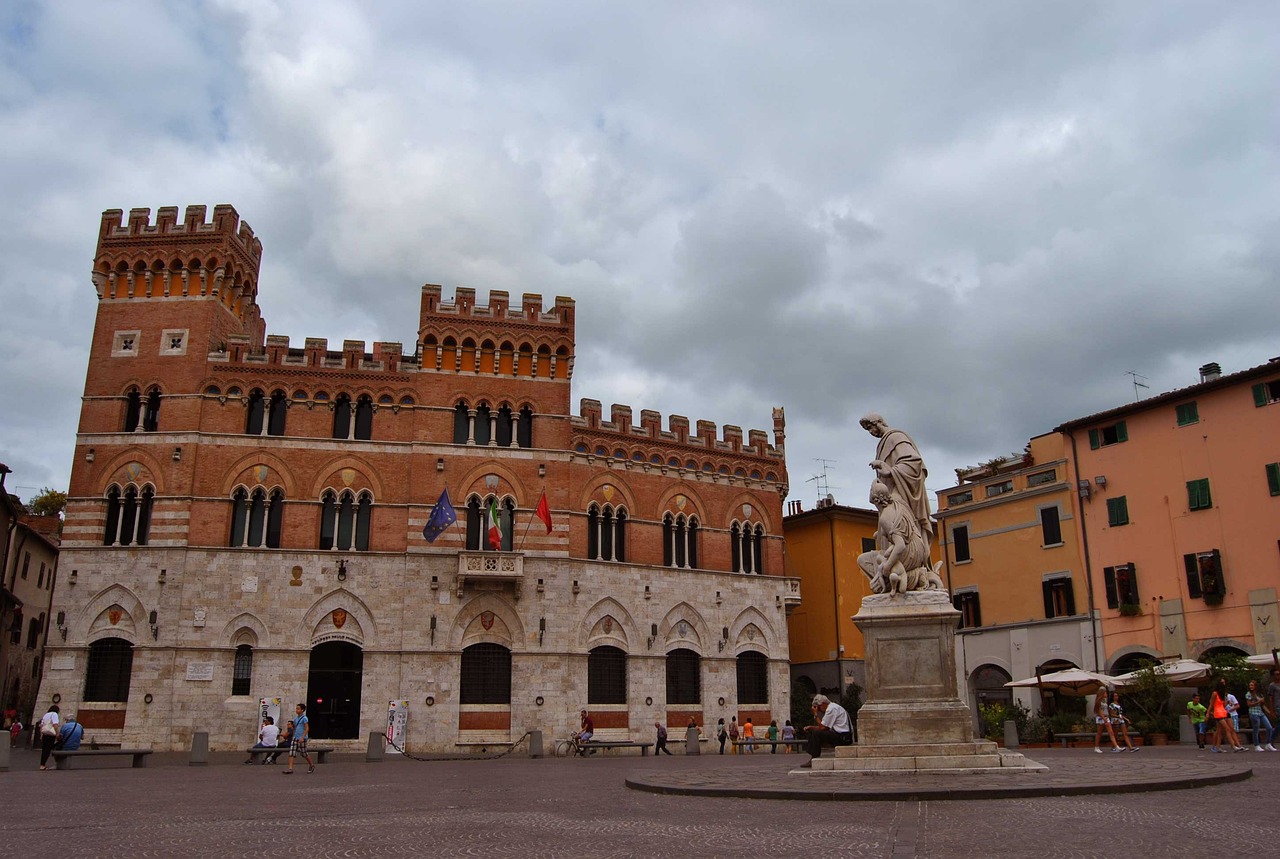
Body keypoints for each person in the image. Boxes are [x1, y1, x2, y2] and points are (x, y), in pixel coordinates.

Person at [860, 414, 932, 541]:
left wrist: (890, 471)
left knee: (900, 536)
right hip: (890, 499)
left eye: (871, 427)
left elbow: (914, 463)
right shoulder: (883, 443)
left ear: (878, 422)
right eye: (868, 430)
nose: (871, 432)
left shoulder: (896, 437)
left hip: (899, 497)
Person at [800, 694, 853, 767]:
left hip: (843, 737)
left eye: (819, 708)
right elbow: (825, 727)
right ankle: (813, 756)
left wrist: (815, 715)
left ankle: (814, 758)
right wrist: (811, 727)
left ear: (823, 704)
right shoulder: (833, 707)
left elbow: (823, 728)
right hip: (841, 735)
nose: (820, 711)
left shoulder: (831, 709)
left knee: (816, 733)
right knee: (812, 731)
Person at [1245, 679, 1276, 751]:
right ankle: (1257, 745)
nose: (1251, 686)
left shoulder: (1259, 694)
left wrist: (1269, 712)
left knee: (1269, 727)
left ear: (1255, 686)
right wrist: (1258, 701)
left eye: (1252, 685)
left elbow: (1263, 705)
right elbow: (1249, 704)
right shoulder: (1248, 694)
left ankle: (1268, 743)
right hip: (1253, 713)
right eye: (1250, 685)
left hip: (1260, 712)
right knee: (1256, 729)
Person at [283, 703, 314, 775]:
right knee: (291, 753)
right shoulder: (296, 719)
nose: (296, 710)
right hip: (295, 737)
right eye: (296, 708)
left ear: (302, 710)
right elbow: (294, 728)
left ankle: (311, 765)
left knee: (304, 753)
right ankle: (290, 769)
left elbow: (307, 729)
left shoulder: (304, 718)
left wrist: (302, 737)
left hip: (302, 738)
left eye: (298, 709)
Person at [1093, 689, 1120, 753]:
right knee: (1099, 733)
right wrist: (1104, 718)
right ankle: (1096, 747)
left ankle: (1116, 746)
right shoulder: (1099, 702)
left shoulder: (1104, 701)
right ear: (1102, 694)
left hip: (1106, 717)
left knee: (1111, 732)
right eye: (1105, 693)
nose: (1106, 694)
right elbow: (1099, 711)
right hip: (1101, 718)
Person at [37, 704, 60, 770]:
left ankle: (42, 764)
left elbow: (41, 725)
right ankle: (43, 765)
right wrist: (57, 733)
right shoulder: (54, 714)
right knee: (48, 750)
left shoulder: (45, 715)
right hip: (50, 734)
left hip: (45, 734)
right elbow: (55, 724)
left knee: (44, 750)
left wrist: (41, 735)